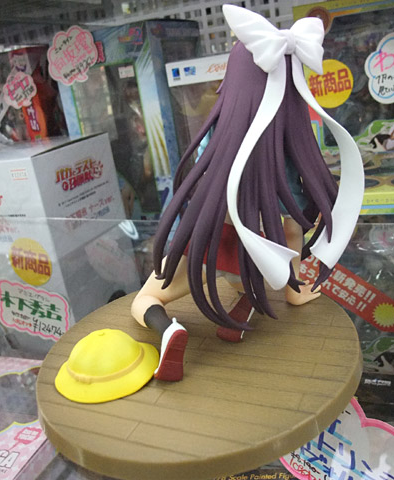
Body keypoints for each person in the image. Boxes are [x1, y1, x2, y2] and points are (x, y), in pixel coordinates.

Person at [130, 5, 364, 381]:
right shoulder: (293, 142)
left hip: (209, 250)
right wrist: (294, 288)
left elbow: (196, 201)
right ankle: (245, 305)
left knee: (146, 298)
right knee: (262, 261)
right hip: (261, 259)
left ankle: (168, 329)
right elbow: (293, 226)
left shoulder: (220, 135)